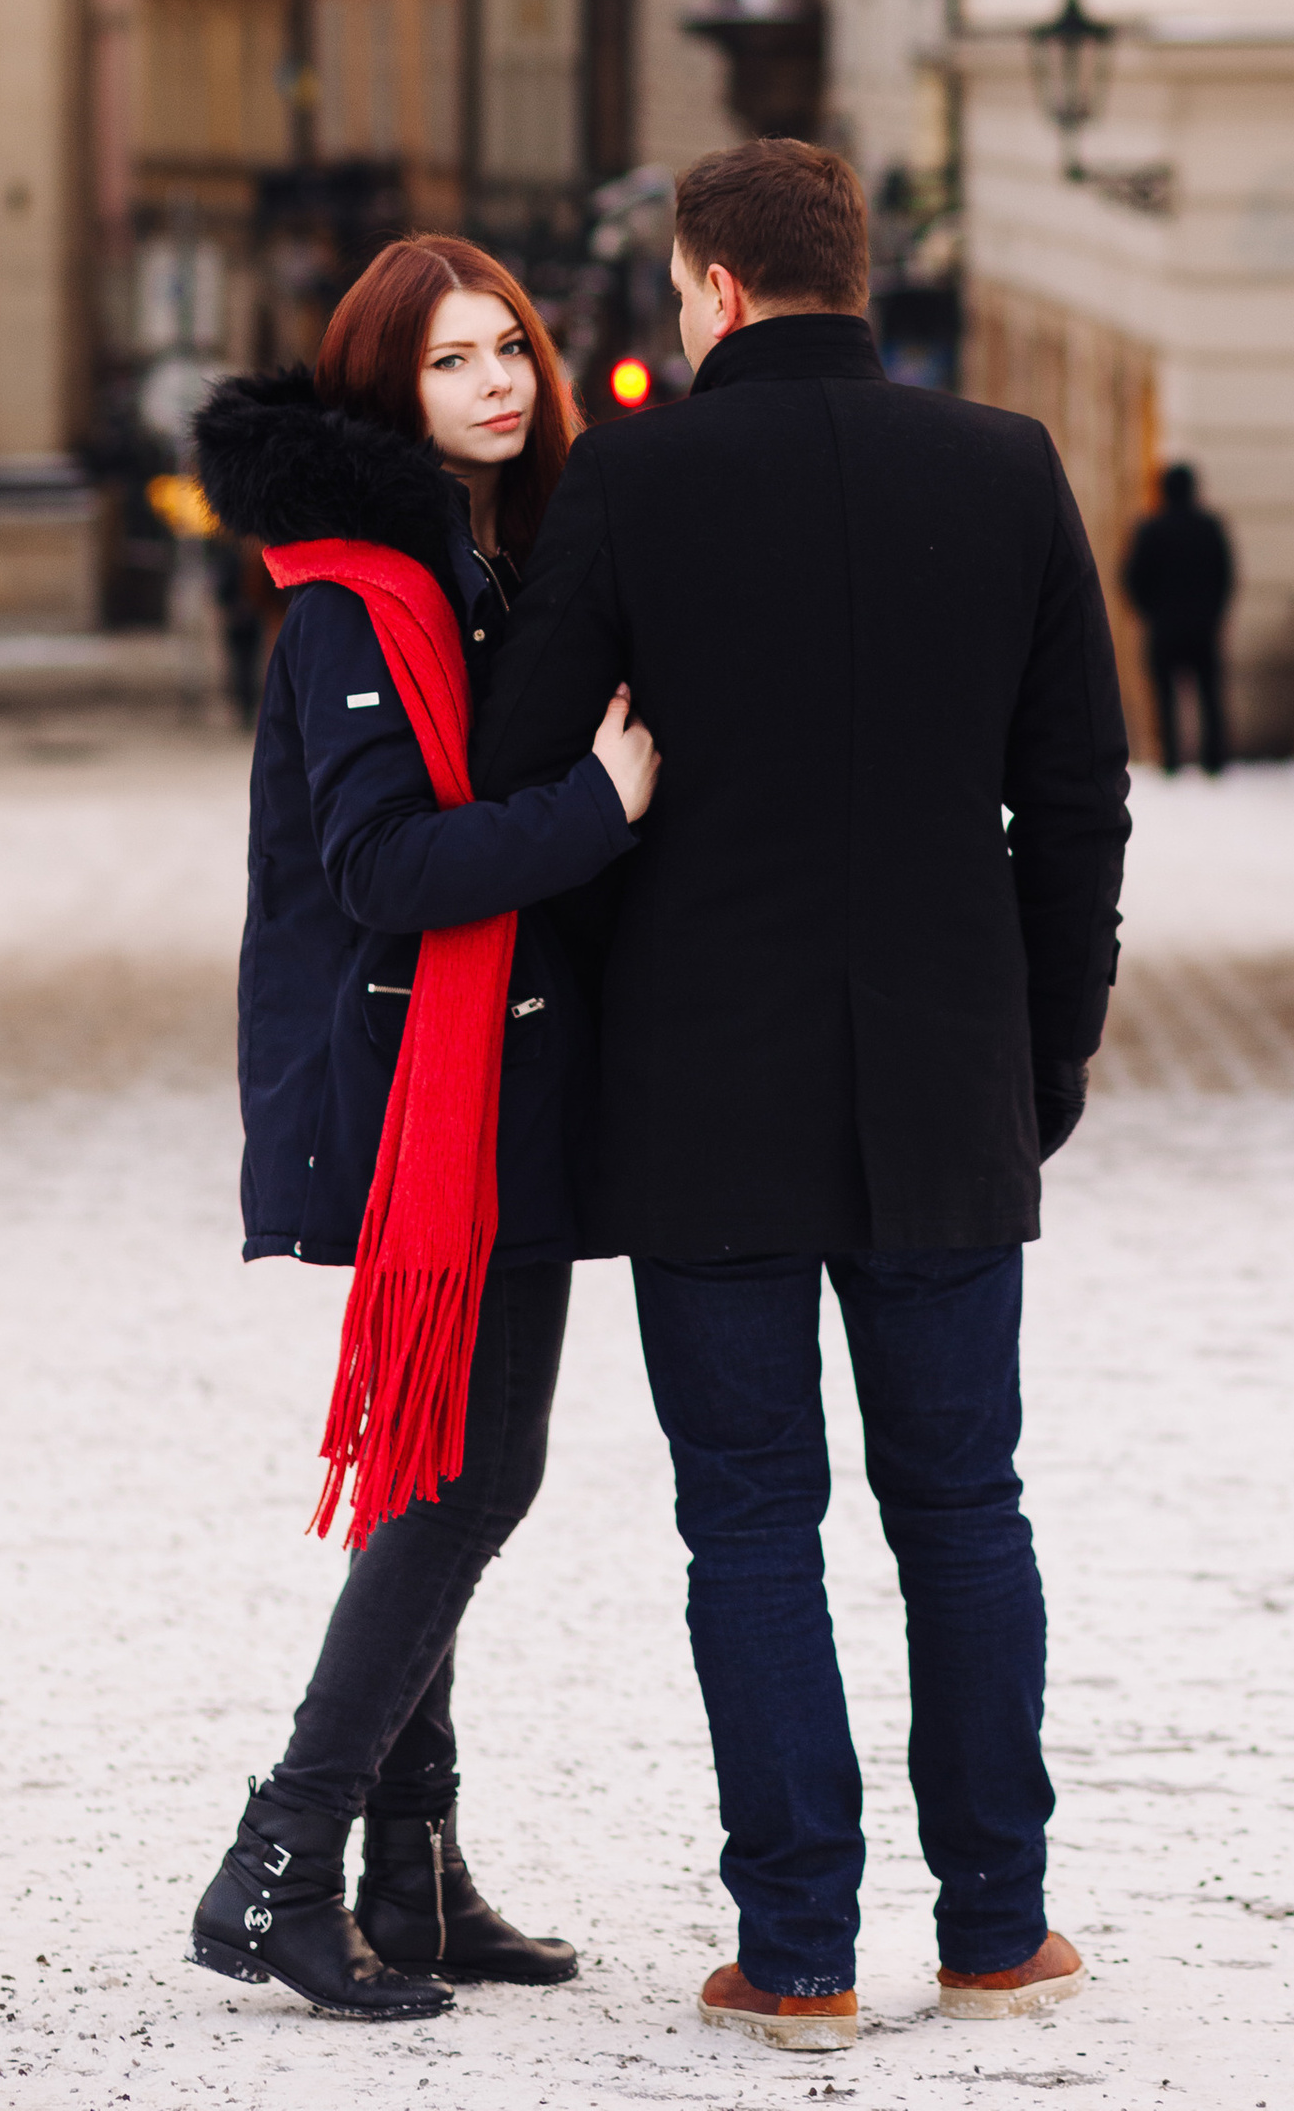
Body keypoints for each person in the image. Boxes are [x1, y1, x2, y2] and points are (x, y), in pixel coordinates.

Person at [477, 139, 1129, 2052]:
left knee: (750, 1524)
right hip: (947, 1083)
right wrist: (1049, 1046)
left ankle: (801, 1955)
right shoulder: (1005, 468)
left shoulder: (636, 485)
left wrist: (611, 1009)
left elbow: (544, 790)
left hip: (704, 1094)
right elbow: (1076, 796)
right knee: (965, 1509)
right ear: (852, 273)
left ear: (714, 287)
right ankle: (999, 1929)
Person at [184, 238, 660, 2025]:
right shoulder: (355, 601)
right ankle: (284, 1858)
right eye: (456, 361)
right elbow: (384, 865)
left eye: (512, 349)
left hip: (486, 1077)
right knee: (468, 1476)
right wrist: (594, 807)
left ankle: (413, 1871)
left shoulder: (469, 565)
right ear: (391, 392)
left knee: (440, 1470)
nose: (499, 382)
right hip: (423, 1094)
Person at [1120, 462, 1235, 778]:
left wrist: (1151, 612)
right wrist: (1212, 613)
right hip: (1202, 627)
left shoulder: (1151, 529)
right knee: (1210, 697)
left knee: (1164, 696)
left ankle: (1170, 758)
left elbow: (1132, 578)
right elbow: (1225, 575)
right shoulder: (1209, 527)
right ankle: (1214, 760)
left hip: (1164, 627)